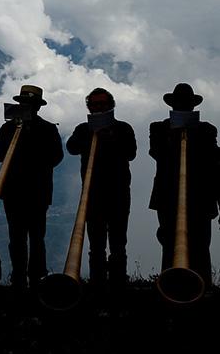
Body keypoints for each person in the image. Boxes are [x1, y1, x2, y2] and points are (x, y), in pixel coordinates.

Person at [0, 85, 63, 290]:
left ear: (37, 108)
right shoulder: (7, 128)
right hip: (13, 191)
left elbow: (56, 156)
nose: (26, 107)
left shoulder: (48, 128)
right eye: (23, 103)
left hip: (38, 191)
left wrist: (28, 148)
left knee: (37, 237)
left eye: (30, 104)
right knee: (16, 237)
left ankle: (37, 276)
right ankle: (18, 276)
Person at [66, 88, 136, 291]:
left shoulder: (123, 128)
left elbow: (131, 153)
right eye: (94, 104)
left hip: (118, 193)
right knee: (96, 246)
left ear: (111, 105)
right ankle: (97, 287)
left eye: (102, 104)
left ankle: (118, 287)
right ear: (89, 107)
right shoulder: (83, 129)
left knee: (118, 245)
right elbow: (71, 148)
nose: (98, 108)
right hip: (92, 194)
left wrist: (111, 138)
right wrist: (89, 135)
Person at [149, 83, 218, 287]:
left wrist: (193, 135)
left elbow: (213, 157)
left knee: (201, 243)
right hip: (168, 194)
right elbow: (156, 153)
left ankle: (202, 287)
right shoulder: (159, 128)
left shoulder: (206, 129)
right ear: (173, 105)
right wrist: (174, 135)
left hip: (201, 195)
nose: (183, 106)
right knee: (169, 242)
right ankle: (169, 286)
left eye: (186, 103)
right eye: (179, 103)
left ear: (192, 106)